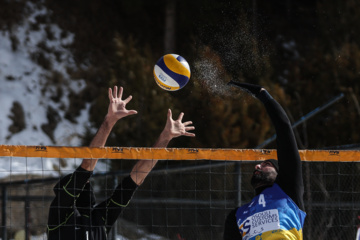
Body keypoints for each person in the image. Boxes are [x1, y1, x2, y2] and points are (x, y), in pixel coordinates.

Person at [47, 86, 195, 240]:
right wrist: (108, 122)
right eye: (84, 184)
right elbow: (86, 167)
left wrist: (165, 138)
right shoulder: (59, 215)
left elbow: (134, 180)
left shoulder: (99, 219)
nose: (87, 184)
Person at [224, 81, 306, 240]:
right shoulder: (237, 216)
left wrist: (263, 94)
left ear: (279, 174)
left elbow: (284, 128)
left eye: (266, 164)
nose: (257, 165)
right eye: (261, 164)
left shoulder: (288, 191)